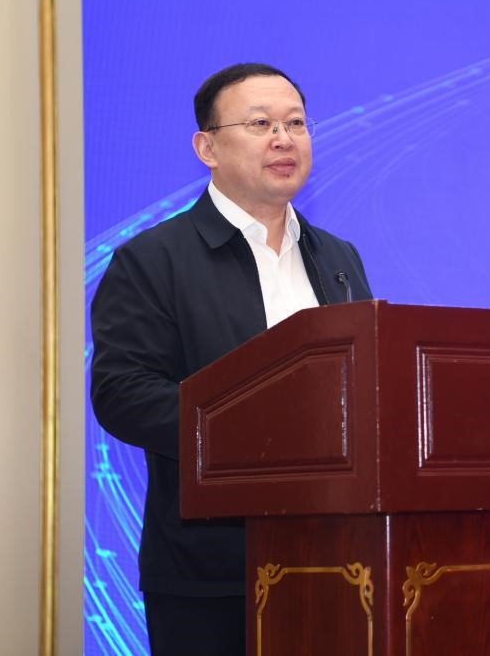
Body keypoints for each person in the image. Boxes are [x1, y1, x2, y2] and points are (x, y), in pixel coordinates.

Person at [90, 62, 372, 655]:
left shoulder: (338, 258)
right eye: (261, 124)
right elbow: (124, 394)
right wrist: (257, 427)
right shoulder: (153, 260)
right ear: (207, 148)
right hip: (212, 571)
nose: (284, 139)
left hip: (342, 562)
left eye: (296, 124)